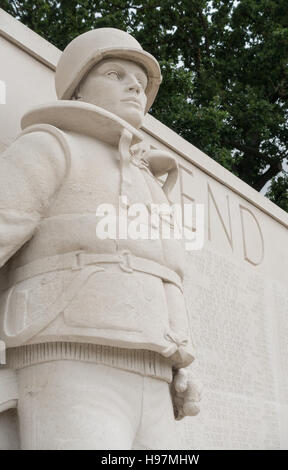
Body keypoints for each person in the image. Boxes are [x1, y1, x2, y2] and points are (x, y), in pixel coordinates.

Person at [0, 28, 201, 450]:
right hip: (69, 363)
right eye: (115, 73)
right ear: (77, 88)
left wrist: (182, 361)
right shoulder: (51, 145)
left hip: (157, 380)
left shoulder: (149, 178)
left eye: (141, 83)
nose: (134, 86)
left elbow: (165, 273)